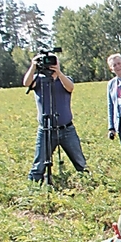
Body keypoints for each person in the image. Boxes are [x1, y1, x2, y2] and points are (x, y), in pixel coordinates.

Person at [23, 54, 88, 182]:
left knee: (80, 162)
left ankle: (87, 182)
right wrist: (33, 66)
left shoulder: (65, 79)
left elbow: (70, 87)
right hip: (45, 130)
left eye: (54, 62)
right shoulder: (39, 80)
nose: (50, 65)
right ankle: (35, 185)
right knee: (39, 163)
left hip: (67, 129)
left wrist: (58, 72)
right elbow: (26, 83)